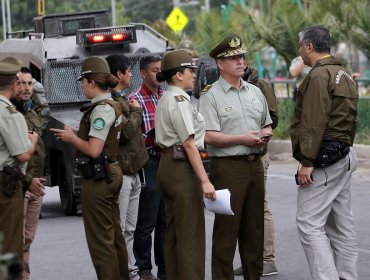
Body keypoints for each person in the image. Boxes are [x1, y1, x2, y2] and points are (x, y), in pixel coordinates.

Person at [198, 34, 273, 280]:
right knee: (226, 234)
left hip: (255, 165)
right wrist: (242, 139)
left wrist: (265, 134)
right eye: (234, 58)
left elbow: (267, 125)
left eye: (242, 56)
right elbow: (208, 136)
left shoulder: (254, 91)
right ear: (220, 64)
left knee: (254, 230)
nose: (241, 61)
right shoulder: (211, 95)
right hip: (228, 168)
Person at [50, 56, 129, 280]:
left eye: (83, 81)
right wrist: (76, 135)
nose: (82, 86)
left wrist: (72, 139)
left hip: (98, 178)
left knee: (101, 242)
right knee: (114, 237)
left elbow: (94, 150)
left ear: (92, 82)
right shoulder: (111, 104)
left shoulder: (101, 110)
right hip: (109, 173)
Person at [292, 25, 359, 280]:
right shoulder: (344, 74)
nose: (300, 51)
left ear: (309, 47)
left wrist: (307, 161)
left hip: (324, 158)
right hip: (344, 153)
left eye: (301, 46)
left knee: (309, 224)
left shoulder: (319, 77)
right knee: (341, 225)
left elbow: (313, 121)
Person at [155, 49, 216, 280]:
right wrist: (205, 180)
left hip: (168, 165)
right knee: (190, 234)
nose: (193, 74)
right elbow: (189, 144)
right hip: (181, 167)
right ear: (178, 75)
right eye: (190, 70)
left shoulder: (167, 97)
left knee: (173, 233)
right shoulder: (179, 99)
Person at [106, 54, 149, 280]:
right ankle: (120, 270)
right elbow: (127, 133)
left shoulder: (121, 98)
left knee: (130, 228)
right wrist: (135, 111)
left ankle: (129, 268)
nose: (131, 74)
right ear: (118, 74)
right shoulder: (111, 103)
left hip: (134, 171)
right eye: (129, 70)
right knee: (121, 228)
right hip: (122, 173)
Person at [233, 65, 279, 277]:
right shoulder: (224, 87)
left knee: (261, 206)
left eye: (239, 57)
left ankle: (267, 259)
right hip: (235, 156)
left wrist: (256, 131)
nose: (237, 62)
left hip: (257, 154)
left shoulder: (259, 86)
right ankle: (250, 259)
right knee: (243, 209)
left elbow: (273, 119)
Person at [128, 54, 166, 280]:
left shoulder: (167, 96)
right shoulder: (134, 100)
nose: (159, 74)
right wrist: (151, 138)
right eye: (154, 70)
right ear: (143, 74)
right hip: (149, 162)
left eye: (161, 69)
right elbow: (133, 138)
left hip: (169, 161)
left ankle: (164, 268)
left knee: (165, 220)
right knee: (147, 220)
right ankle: (144, 268)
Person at [0, 57, 39, 265]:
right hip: (6, 186)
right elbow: (22, 155)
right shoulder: (9, 113)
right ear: (14, 84)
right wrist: (32, 142)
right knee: (11, 247)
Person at [13, 67, 47, 280]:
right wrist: (28, 181)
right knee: (14, 241)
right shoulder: (10, 113)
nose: (26, 88)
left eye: (29, 83)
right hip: (18, 184)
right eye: (21, 83)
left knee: (26, 240)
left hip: (35, 183)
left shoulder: (31, 110)